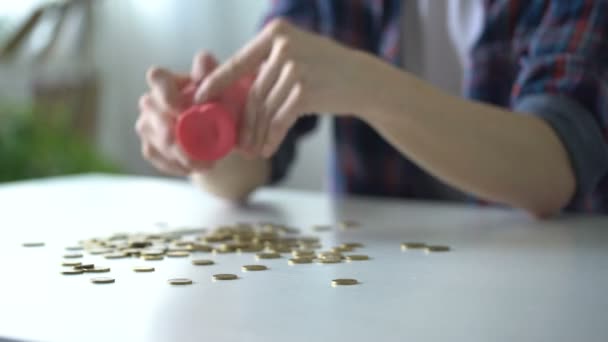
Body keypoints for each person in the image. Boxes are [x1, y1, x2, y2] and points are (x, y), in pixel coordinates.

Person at [135, 0, 608, 217]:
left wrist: (367, 85)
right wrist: (202, 137)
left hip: (549, 290)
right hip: (379, 298)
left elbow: (553, 169)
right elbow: (252, 164)